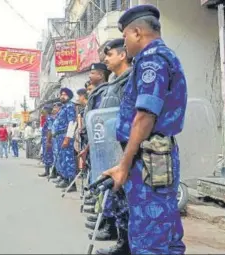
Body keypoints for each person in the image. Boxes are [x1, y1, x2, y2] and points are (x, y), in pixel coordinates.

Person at [102, 5, 187, 254]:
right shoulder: (160, 57)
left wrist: (124, 165)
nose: (124, 45)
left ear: (137, 32)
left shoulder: (152, 60)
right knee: (166, 231)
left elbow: (145, 117)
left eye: (125, 36)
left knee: (149, 238)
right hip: (155, 156)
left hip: (148, 159)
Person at [90, 38, 133, 255]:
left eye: (109, 54)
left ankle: (127, 244)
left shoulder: (130, 80)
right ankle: (122, 241)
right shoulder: (114, 82)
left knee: (127, 198)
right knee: (118, 196)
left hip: (126, 148)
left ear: (122, 55)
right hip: (112, 146)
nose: (105, 59)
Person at [52, 88, 77, 190]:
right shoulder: (63, 107)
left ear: (69, 96)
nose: (62, 96)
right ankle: (65, 179)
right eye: (61, 94)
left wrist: (68, 138)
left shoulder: (70, 106)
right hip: (59, 136)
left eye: (65, 95)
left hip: (65, 135)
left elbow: (72, 122)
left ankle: (71, 183)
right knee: (62, 158)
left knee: (68, 159)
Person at [38, 104, 54, 177]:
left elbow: (49, 130)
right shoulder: (48, 118)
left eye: (44, 110)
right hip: (45, 139)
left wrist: (48, 141)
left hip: (48, 139)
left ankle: (49, 172)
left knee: (48, 156)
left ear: (47, 110)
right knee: (46, 155)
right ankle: (47, 171)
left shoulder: (49, 118)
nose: (42, 111)